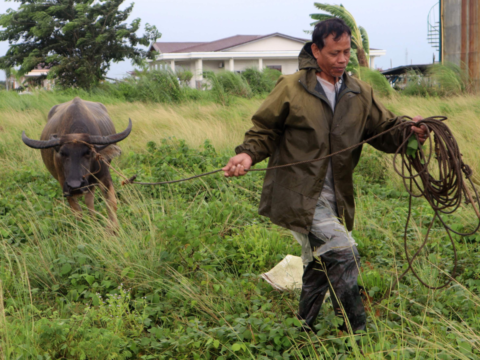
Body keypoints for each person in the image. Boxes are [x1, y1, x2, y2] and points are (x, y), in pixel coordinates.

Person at [223, 18, 427, 333]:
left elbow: (384, 131)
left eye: (346, 52)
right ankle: (357, 331)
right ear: (316, 50)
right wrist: (248, 154)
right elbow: (265, 130)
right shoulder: (291, 87)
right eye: (334, 53)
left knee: (320, 262)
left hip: (337, 197)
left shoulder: (360, 92)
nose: (342, 60)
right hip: (300, 194)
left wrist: (411, 134)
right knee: (344, 253)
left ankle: (304, 327)